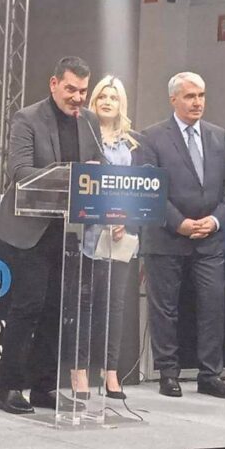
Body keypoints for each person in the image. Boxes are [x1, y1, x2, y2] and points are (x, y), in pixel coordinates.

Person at [0, 56, 102, 415]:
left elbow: (98, 167)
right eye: (71, 89)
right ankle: (9, 389)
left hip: (68, 231)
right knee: (29, 307)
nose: (77, 97)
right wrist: (73, 174)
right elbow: (20, 171)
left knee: (58, 310)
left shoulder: (89, 122)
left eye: (83, 91)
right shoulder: (27, 118)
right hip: (30, 229)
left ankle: (44, 387)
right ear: (54, 84)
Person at [139, 72, 225, 400]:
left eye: (201, 95)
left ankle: (210, 375)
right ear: (173, 99)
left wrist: (215, 220)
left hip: (209, 238)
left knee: (212, 306)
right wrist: (179, 223)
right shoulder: (151, 137)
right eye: (190, 96)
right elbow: (149, 188)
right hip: (166, 237)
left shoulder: (218, 136)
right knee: (165, 309)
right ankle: (168, 373)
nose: (197, 102)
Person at [72, 75, 141, 400]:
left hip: (120, 233)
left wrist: (123, 218)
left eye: (113, 97)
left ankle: (110, 370)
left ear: (121, 103)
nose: (107, 101)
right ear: (94, 101)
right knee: (85, 305)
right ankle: (79, 370)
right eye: (102, 96)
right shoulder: (83, 136)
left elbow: (137, 188)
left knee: (115, 305)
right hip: (88, 232)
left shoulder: (131, 144)